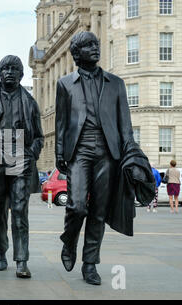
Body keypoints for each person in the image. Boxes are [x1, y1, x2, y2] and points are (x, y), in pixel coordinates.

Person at [55, 31, 136, 285]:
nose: (95, 48)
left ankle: (90, 263)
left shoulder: (116, 83)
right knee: (77, 205)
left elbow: (125, 125)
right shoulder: (65, 84)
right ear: (77, 53)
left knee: (99, 210)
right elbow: (61, 123)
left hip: (108, 151)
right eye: (89, 45)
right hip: (79, 149)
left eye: (96, 44)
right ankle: (69, 240)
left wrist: (130, 153)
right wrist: (59, 152)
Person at [0, 55, 44, 278]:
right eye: (5, 68)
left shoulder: (30, 102)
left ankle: (22, 260)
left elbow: (39, 137)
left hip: (21, 158)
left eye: (14, 69)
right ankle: (0, 251)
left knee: (19, 211)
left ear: (21, 74)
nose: (9, 72)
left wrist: (30, 154)